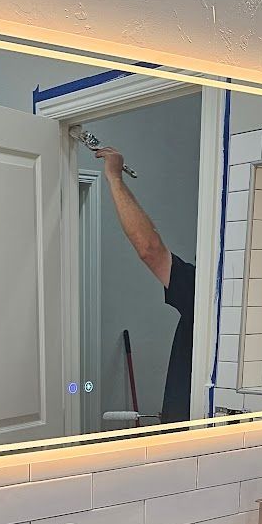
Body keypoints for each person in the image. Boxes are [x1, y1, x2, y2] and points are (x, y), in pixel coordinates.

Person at [96, 146, 194, 422]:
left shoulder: (207, 291)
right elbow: (152, 239)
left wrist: (114, 178)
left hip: (188, 432)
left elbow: (150, 249)